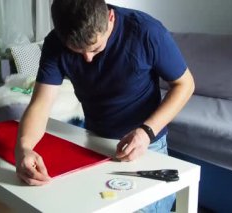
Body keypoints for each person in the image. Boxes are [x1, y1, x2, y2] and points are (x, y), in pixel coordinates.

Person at [15, 0, 195, 212]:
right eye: (77, 51)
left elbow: (185, 84)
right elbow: (40, 104)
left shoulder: (146, 31)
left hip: (148, 144)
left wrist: (146, 132)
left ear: (110, 17)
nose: (88, 58)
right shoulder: (55, 43)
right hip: (93, 142)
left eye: (95, 47)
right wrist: (24, 148)